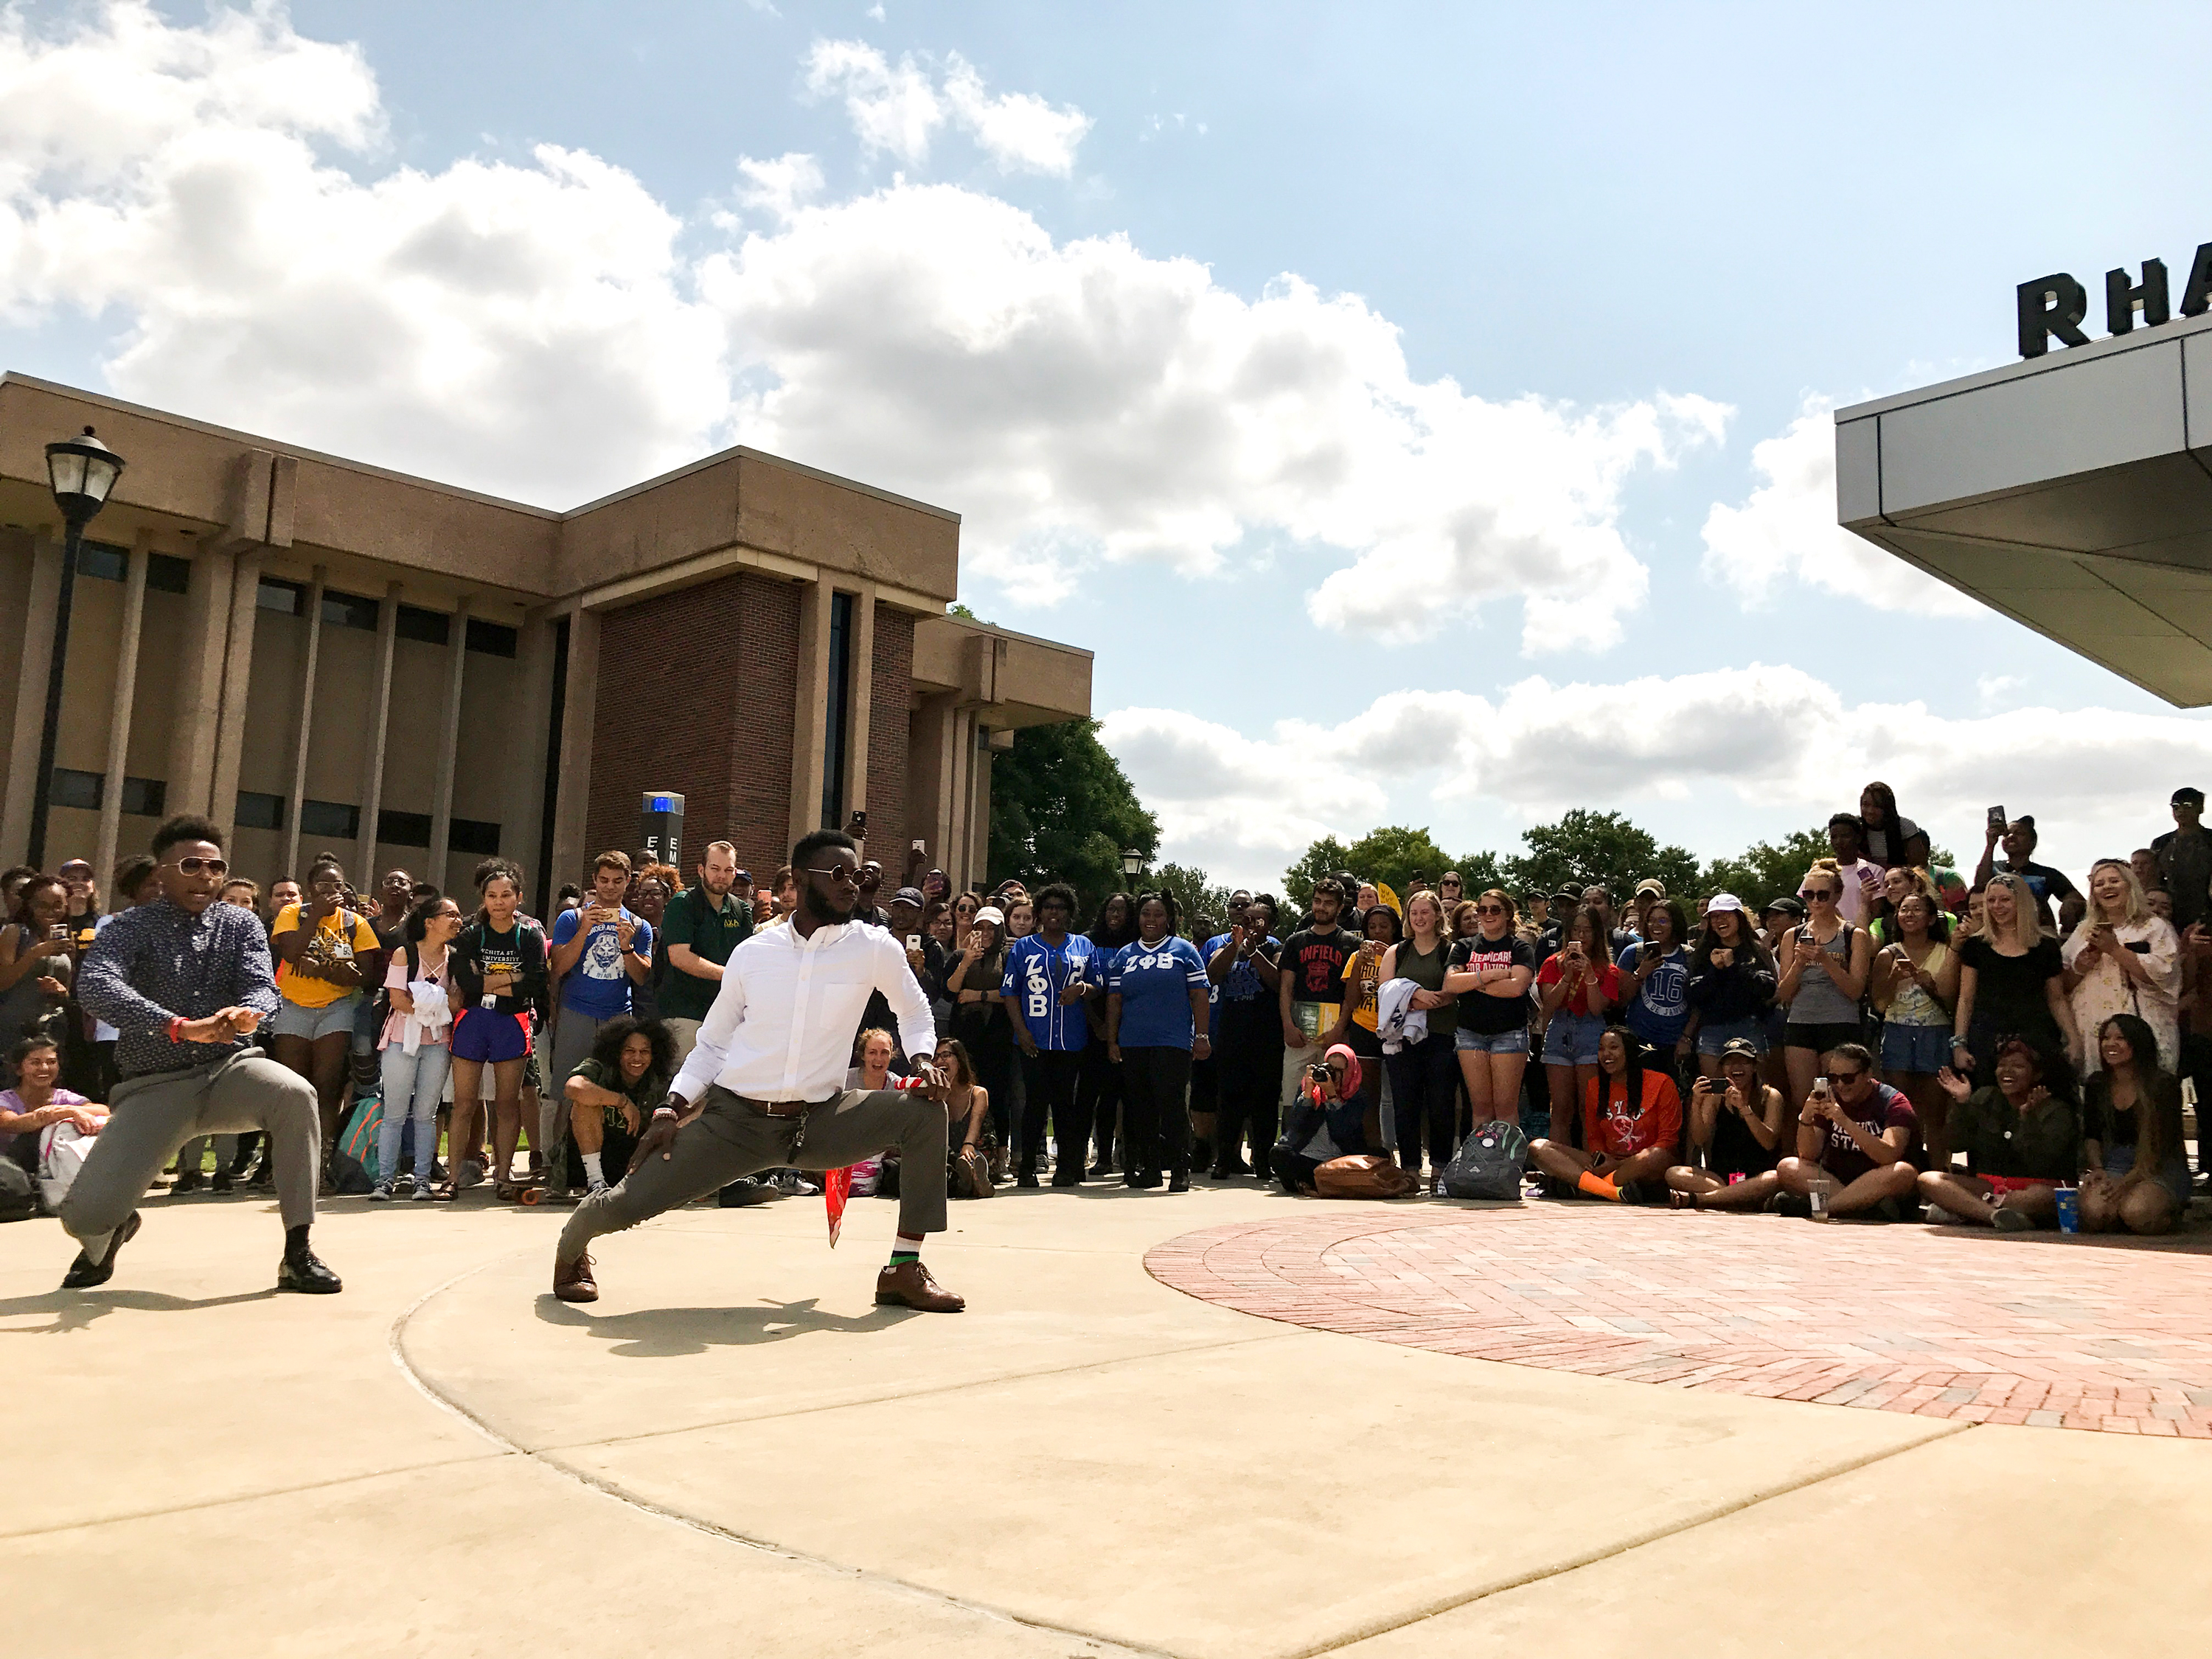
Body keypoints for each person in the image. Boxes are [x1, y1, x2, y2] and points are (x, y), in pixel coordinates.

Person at [549, 828, 959, 1310]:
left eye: (859, 875)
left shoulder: (873, 948)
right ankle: (571, 1249)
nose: (853, 885)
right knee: (626, 1203)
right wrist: (671, 1107)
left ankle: (902, 1269)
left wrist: (925, 1060)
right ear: (804, 881)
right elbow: (713, 1043)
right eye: (840, 874)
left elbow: (913, 1011)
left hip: (820, 1120)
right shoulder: (754, 954)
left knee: (926, 1115)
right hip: (734, 1122)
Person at [60, 813, 339, 1292]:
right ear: (162, 872)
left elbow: (261, 987)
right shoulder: (129, 927)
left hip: (230, 1071)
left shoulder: (241, 924)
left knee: (296, 1094)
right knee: (83, 1216)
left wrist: (251, 1013)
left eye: (216, 867)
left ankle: (298, 1252)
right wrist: (179, 1027)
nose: (207, 876)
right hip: (154, 1086)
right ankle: (107, 1235)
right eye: (192, 865)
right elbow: (96, 986)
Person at [546, 852, 655, 1186]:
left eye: (617, 881)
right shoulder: (571, 918)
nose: (610, 888)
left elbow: (641, 976)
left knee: (609, 1090)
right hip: (577, 1011)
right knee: (568, 1092)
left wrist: (626, 947)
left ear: (628, 883)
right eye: (604, 881)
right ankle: (557, 1169)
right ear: (594, 881)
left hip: (617, 1017)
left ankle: (603, 1168)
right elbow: (559, 966)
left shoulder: (639, 925)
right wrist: (584, 929)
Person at [444, 864, 549, 1200]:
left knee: (507, 1103)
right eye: (492, 896)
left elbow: (535, 982)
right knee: (463, 1103)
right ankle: (453, 1177)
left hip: (512, 1023)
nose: (499, 902)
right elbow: (467, 983)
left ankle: (503, 1176)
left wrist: (494, 983)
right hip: (474, 1020)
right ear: (484, 899)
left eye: (506, 895)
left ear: (518, 897)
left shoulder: (529, 935)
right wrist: (511, 979)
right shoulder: (472, 934)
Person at [268, 859, 381, 1156]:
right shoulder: (292, 913)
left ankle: (324, 1158)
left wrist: (323, 969)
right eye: (323, 886)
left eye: (338, 886)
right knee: (292, 1086)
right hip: (293, 1005)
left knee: (327, 1085)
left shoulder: (355, 923)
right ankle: (280, 1158)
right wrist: (316, 915)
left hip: (336, 1006)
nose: (332, 891)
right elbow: (291, 953)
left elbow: (365, 975)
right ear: (309, 889)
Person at [1105, 891, 1210, 1192]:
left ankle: (1179, 1169)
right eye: (1146, 914)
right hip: (1133, 1042)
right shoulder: (1124, 955)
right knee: (1141, 1108)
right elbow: (1114, 1000)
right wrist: (1112, 1041)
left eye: (1158, 915)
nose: (1151, 920)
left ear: (1168, 919)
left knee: (1172, 1105)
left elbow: (1199, 995)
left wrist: (1201, 1037)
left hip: (1172, 1041)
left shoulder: (1184, 950)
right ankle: (1150, 1169)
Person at [1920, 1042, 2077, 1230]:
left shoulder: (2056, 1109)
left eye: (2018, 1066)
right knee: (1928, 1179)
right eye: (2002, 1065)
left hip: (2034, 1189)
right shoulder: (1985, 1097)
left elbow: (2039, 1162)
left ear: (2037, 1074)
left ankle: (1965, 1210)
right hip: (1989, 1187)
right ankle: (1993, 1216)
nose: (2007, 1071)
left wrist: (2028, 1120)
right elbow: (1955, 1144)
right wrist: (1962, 1103)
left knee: (2038, 1197)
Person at [1000, 882, 1094, 1187]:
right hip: (1034, 1040)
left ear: (1069, 913)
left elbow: (1099, 986)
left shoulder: (1083, 946)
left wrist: (1081, 989)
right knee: (1034, 1105)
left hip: (1071, 1039)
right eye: (1049, 907)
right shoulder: (1024, 948)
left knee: (1066, 1105)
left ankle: (1067, 1167)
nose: (1055, 912)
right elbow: (1010, 992)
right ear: (1040, 912)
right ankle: (1027, 1167)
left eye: (1061, 907)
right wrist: (1022, 1031)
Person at [370, 891, 462, 1203]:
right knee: (394, 1113)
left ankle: (422, 1179)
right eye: (450, 915)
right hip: (401, 1040)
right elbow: (397, 1000)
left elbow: (457, 1001)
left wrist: (423, 999)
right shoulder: (404, 954)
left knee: (427, 1115)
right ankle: (384, 1180)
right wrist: (437, 1004)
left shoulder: (456, 957)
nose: (457, 920)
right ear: (430, 922)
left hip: (438, 1043)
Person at [1527, 1025, 1682, 1203]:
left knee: (1656, 1155)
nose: (1606, 1054)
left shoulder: (1662, 1083)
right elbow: (1593, 1137)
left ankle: (1583, 1187)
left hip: (1643, 1164)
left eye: (1614, 1047)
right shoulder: (1595, 1086)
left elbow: (1668, 1142)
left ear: (1629, 1051)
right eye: (1601, 1049)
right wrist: (1600, 1158)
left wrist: (1617, 1165)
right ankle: (1610, 1191)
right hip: (1608, 1162)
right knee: (1537, 1147)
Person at [1952, 871, 2079, 1087]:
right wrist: (1959, 1045)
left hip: (2036, 1039)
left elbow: (2056, 999)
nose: (1997, 906)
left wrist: (2074, 1040)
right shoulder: (1975, 946)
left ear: (2021, 902)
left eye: (2005, 899)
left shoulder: (2046, 947)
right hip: (1986, 1040)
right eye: (1991, 900)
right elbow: (1966, 999)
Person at [2061, 858, 2181, 1074]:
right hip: (2093, 1031)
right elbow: (2062, 985)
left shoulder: (2154, 926)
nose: (2107, 887)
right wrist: (2080, 966)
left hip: (2142, 1027)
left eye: (2114, 881)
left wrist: (2115, 949)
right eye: (2099, 884)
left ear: (2130, 885)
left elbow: (2165, 974)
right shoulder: (2082, 932)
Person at [1773, 1044, 1919, 1220]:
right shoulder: (1829, 1097)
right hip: (1838, 1180)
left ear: (1868, 1074)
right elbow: (1808, 1154)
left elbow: (1889, 1155)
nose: (1840, 1085)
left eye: (1848, 1079)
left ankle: (1821, 1208)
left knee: (1903, 1172)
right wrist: (1806, 1118)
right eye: (1833, 1078)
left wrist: (1844, 1121)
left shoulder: (1894, 1102)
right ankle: (1861, 1207)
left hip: (1878, 1181)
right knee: (1787, 1166)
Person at [1870, 890, 1961, 1167]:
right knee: (1901, 1111)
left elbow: (1953, 998)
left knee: (1934, 1112)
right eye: (1904, 910)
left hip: (1936, 1033)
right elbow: (1880, 1003)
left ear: (1933, 918)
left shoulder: (1947, 952)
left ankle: (1936, 1172)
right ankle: (1904, 1174)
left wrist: (1927, 982)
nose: (1909, 915)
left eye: (1917, 910)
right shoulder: (1888, 954)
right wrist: (1894, 978)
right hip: (1897, 1032)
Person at [2078, 1013, 2191, 1235]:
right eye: (2106, 1038)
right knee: (2094, 1213)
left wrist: (2129, 1181)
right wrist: (2098, 1169)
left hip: (2157, 1165)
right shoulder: (2097, 1083)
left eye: (2120, 1038)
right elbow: (2092, 1134)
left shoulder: (2162, 1085)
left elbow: (2162, 1146)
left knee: (2137, 1211)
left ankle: (2166, 1212)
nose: (2111, 1044)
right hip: (2115, 1161)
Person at [1777, 863, 1871, 1110]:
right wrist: (1799, 964)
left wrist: (1826, 960)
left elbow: (1855, 990)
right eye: (1809, 895)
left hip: (1840, 1022)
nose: (1815, 901)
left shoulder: (1854, 935)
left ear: (1837, 896)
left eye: (1823, 895)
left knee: (1841, 1099)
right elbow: (1784, 994)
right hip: (1801, 1022)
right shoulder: (1792, 935)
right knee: (1804, 1101)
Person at [1442, 891, 1533, 1145]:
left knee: (1505, 1109)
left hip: (1509, 1032)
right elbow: (1450, 983)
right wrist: (1492, 974)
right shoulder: (1464, 946)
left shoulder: (1520, 948)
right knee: (1480, 1109)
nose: (1488, 915)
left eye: (1495, 909)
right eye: (1483, 910)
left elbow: (1517, 988)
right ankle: (1480, 1167)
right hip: (1470, 1032)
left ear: (1507, 915)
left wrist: (1471, 982)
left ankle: (1506, 1168)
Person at [1383, 889, 1461, 1186]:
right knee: (1405, 1103)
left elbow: (1451, 992)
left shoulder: (1451, 950)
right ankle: (1411, 1168)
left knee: (1441, 1103)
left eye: (1425, 912)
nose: (1419, 918)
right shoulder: (1397, 952)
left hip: (1441, 1035)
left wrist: (1426, 999)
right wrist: (1415, 997)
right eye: (1414, 913)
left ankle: (1440, 1165)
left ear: (1438, 915)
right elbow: (1385, 992)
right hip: (1403, 1038)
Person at [1278, 879, 1361, 1144]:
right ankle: (1290, 1150)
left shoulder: (1351, 943)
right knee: (1293, 1092)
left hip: (1335, 1033)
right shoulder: (1295, 942)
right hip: (1299, 1031)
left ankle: (1332, 1152)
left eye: (1328, 903)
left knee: (1336, 1092)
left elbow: (1351, 994)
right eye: (1317, 901)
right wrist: (1288, 1026)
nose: (1321, 907)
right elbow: (1286, 988)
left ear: (1339, 907)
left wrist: (1339, 1029)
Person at [1206, 893, 1281, 1179]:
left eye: (1257, 921)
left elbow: (1276, 981)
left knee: (1264, 1102)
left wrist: (1253, 953)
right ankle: (1224, 1158)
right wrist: (1235, 948)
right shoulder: (1229, 946)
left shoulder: (1276, 947)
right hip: (1231, 1035)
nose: (1250, 925)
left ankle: (1263, 1160)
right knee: (1229, 1101)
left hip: (1265, 1037)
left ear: (1269, 925)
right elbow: (1211, 974)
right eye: (1246, 919)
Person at [1663, 1037, 1787, 1209]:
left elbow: (1769, 1143)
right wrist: (1696, 1104)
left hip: (1758, 1176)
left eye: (1743, 1062)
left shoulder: (1770, 1096)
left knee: (1773, 1178)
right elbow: (1700, 1139)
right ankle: (1737, 1197)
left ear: (1754, 1067)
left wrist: (1745, 1109)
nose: (1736, 1068)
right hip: (1721, 1178)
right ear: (1722, 1069)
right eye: (1729, 1063)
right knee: (1674, 1173)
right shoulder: (1715, 1098)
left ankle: (1702, 1199)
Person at [657, 841, 751, 1070]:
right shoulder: (682, 904)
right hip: (685, 1015)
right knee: (682, 1090)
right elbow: (680, 958)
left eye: (728, 870)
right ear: (701, 870)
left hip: (727, 1020)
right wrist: (730, 975)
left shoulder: (741, 910)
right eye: (715, 868)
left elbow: (749, 959)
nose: (722, 876)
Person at [1534, 905, 1619, 1150]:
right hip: (1560, 1029)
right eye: (1576, 930)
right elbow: (1549, 1005)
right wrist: (1567, 976)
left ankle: (1589, 1171)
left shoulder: (1607, 969)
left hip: (1591, 1032)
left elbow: (1596, 1008)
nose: (1581, 937)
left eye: (1587, 931)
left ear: (1597, 934)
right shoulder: (1553, 963)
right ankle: (1558, 1173)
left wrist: (1589, 974)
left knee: (1589, 1108)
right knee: (1560, 1108)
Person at [563, 1016, 674, 1195]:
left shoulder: (660, 1081)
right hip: (590, 1163)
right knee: (584, 1104)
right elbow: (573, 1088)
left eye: (644, 1052)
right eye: (629, 1051)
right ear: (617, 1052)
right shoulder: (598, 1069)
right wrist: (621, 1102)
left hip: (635, 1164)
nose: (637, 1058)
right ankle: (596, 1182)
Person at [0, 1034, 106, 1206]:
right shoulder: (5, 1099)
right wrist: (60, 1113)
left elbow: (102, 1110)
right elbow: (12, 1124)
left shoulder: (64, 1097)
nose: (44, 1068)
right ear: (19, 1069)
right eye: (35, 1062)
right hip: (11, 1171)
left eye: (51, 1062)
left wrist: (68, 1111)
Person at [946, 904, 1015, 1161]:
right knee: (963, 1091)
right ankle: (960, 1147)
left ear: (1000, 931)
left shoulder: (1008, 957)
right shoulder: (959, 956)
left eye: (991, 928)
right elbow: (950, 990)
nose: (985, 933)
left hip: (997, 1034)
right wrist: (966, 961)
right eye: (980, 927)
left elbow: (1011, 992)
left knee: (998, 1094)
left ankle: (1001, 1155)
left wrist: (978, 995)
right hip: (966, 1035)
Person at [1326, 901, 1399, 1141]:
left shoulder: (1402, 953)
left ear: (1394, 928)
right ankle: (1373, 1149)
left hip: (1394, 1030)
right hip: (1364, 1027)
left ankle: (1392, 1148)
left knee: (1395, 1095)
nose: (1378, 931)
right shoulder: (1357, 956)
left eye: (1384, 926)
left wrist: (1386, 957)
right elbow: (1351, 998)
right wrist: (1359, 963)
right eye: (1372, 926)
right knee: (1367, 1094)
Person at [1686, 894, 1775, 1077]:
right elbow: (1693, 995)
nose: (1720, 920)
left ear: (1739, 917)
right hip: (1712, 1029)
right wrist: (1716, 971)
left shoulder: (1756, 950)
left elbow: (1768, 989)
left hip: (1750, 1026)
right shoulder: (1702, 954)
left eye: (1726, 914)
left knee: (1755, 1090)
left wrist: (1735, 967)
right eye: (1714, 916)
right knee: (1715, 1091)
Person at [0, 874, 76, 1069]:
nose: (51, 911)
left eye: (57, 905)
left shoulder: (66, 939)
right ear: (30, 906)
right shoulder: (15, 932)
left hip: (52, 1030)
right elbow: (3, 981)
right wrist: (36, 953)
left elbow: (68, 993)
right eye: (42, 905)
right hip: (15, 1030)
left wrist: (61, 992)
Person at [1271, 1043, 1368, 1194]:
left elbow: (1342, 1132)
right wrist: (1308, 1094)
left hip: (1340, 1160)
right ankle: (1312, 1184)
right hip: (1309, 1158)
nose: (1332, 1075)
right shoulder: (1311, 1090)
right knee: (1279, 1153)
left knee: (1378, 1154)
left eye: (1338, 1071)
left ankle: (1308, 1184)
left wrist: (1332, 1099)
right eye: (1329, 1068)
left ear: (1349, 1071)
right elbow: (1294, 1126)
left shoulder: (1357, 1096)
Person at [1618, 899, 1694, 1086]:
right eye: (1651, 920)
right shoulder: (1633, 953)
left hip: (1675, 1043)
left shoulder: (1691, 956)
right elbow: (1620, 1000)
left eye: (1663, 921)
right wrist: (1639, 974)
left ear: (1675, 924)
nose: (1655, 926)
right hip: (1640, 1040)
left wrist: (1686, 1038)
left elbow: (1699, 1004)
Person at [1975, 814, 2084, 935]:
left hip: (2036, 933)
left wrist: (2069, 907)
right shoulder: (1993, 868)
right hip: (1999, 932)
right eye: (2006, 834)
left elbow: (2077, 900)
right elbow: (1980, 886)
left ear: (2032, 842)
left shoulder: (2046, 874)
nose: (2011, 836)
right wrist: (1990, 845)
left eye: (2019, 834)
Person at [2152, 787, 2211, 931]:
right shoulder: (2162, 843)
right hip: (2170, 913)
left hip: (2206, 911)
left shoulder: (2209, 840)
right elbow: (2154, 879)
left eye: (2187, 806)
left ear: (2200, 808)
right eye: (2176, 806)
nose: (2181, 811)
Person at [1820, 815, 1886, 928]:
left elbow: (1877, 911)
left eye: (1845, 836)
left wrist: (1853, 932)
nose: (1839, 841)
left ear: (1858, 838)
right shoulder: (1821, 871)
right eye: (1834, 837)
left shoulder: (1875, 871)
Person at [1857, 782, 1921, 869]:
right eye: (1866, 805)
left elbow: (1918, 866)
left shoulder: (1904, 826)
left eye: (1877, 806)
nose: (1870, 811)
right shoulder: (1856, 827)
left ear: (1887, 808)